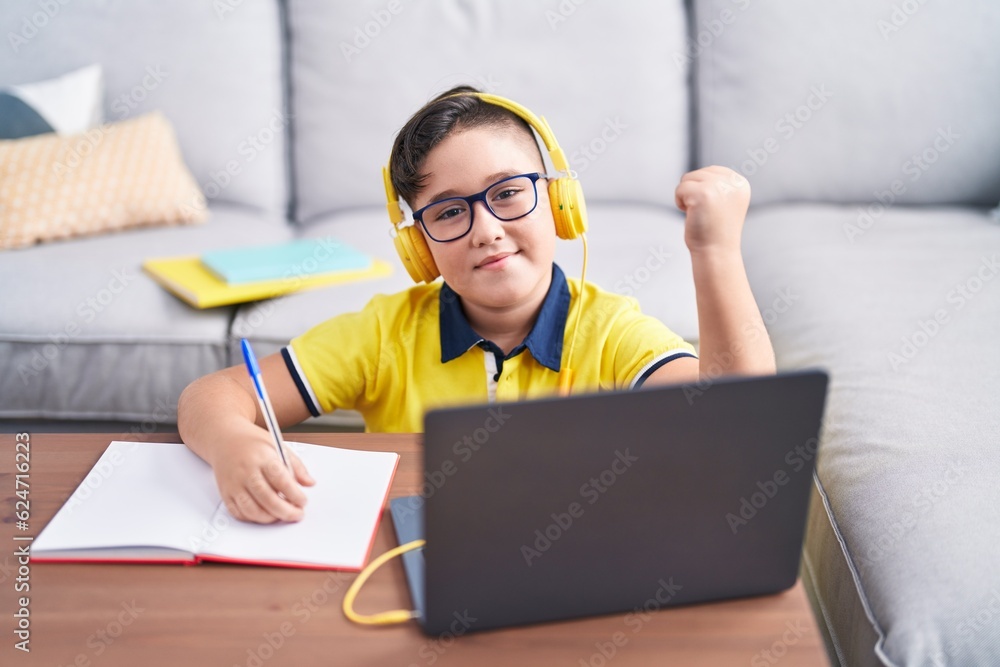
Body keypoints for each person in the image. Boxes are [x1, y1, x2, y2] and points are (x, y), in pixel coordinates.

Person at [178, 85, 775, 525]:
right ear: (419, 247)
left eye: (509, 193)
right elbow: (209, 396)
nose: (485, 229)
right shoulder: (384, 334)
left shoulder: (612, 331)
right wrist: (232, 442)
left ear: (561, 203)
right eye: (448, 211)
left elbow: (741, 420)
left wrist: (715, 250)